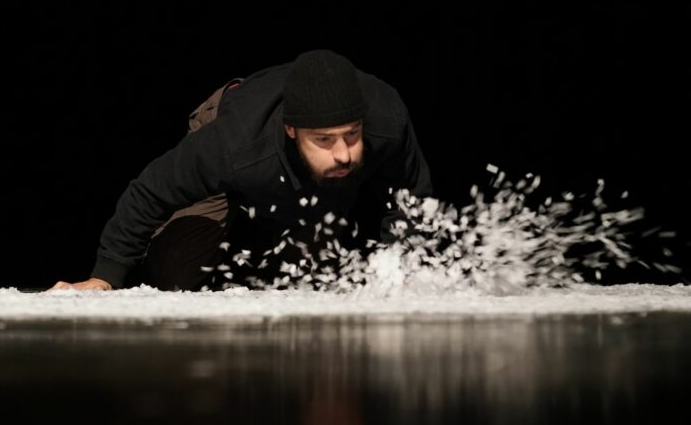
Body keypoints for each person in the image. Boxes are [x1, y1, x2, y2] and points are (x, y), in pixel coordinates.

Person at [49, 49, 434, 292]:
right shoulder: (231, 145)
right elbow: (150, 190)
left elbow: (410, 200)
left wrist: (401, 267)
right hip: (234, 121)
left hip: (290, 177)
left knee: (317, 281)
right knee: (174, 276)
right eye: (325, 140)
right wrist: (105, 275)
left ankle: (273, 229)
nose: (344, 155)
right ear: (292, 131)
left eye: (351, 136)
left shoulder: (386, 121)